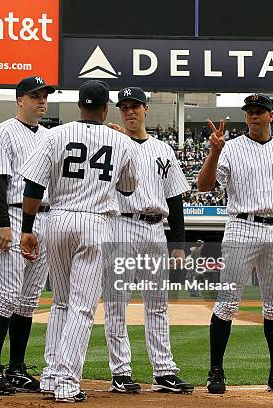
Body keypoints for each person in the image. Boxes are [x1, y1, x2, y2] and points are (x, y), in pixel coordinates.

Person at [19, 80, 138, 403]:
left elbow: (33, 186)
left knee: (60, 302)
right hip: (95, 223)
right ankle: (67, 382)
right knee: (82, 308)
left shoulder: (54, 134)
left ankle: (51, 375)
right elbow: (128, 188)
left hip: (57, 220)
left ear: (79, 106)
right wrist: (120, 142)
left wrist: (27, 228)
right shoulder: (120, 140)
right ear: (105, 109)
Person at [197, 93, 273, 394]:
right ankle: (215, 372)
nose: (253, 116)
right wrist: (213, 151)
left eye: (259, 111)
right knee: (228, 302)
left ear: (271, 116)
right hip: (241, 226)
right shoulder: (231, 148)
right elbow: (204, 186)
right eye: (249, 111)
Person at [102, 87, 193, 394]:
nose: (130, 111)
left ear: (145, 109)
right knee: (117, 304)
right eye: (124, 107)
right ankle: (121, 371)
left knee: (158, 305)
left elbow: (175, 199)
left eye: (135, 106)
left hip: (156, 229)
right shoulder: (111, 144)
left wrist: (178, 243)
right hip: (121, 226)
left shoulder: (163, 150)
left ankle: (164, 371)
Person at [0, 76, 55, 395]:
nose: (41, 101)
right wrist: (4, 224)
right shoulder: (3, 132)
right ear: (19, 99)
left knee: (28, 301)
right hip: (12, 213)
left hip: (46, 218)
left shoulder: (51, 136)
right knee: (7, 296)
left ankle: (16, 369)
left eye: (44, 96)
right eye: (35, 96)